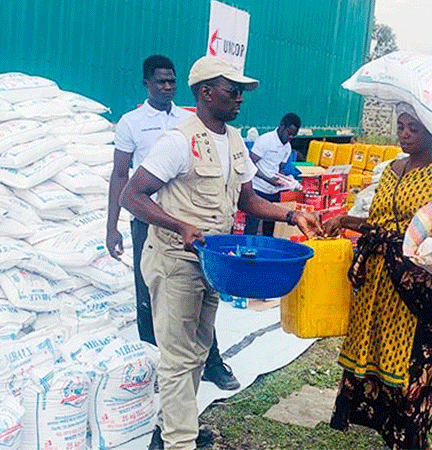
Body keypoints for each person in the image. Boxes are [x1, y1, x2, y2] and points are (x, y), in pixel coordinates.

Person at [119, 56, 321, 450]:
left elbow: (247, 200)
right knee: (178, 355)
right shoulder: (178, 141)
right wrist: (178, 224)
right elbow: (132, 195)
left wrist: (292, 213)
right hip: (175, 260)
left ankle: (169, 429)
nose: (240, 98)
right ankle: (180, 442)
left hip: (214, 262)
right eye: (233, 90)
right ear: (206, 92)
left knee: (196, 350)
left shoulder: (232, 142)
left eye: (242, 91)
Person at [324, 102, 432, 450]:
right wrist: (345, 221)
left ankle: (411, 438)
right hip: (379, 280)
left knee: (414, 359)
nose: (405, 134)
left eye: (414, 127)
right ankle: (388, 432)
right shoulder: (391, 169)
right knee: (379, 353)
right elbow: (379, 223)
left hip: (419, 283)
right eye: (401, 126)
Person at [105, 55, 239, 392]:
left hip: (194, 227)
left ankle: (211, 362)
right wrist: (112, 227)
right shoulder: (131, 123)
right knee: (151, 297)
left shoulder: (190, 121)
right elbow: (121, 178)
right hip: (150, 220)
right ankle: (157, 368)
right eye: (160, 82)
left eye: (172, 81)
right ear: (146, 84)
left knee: (199, 303)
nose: (167, 87)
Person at [244, 113, 302, 236]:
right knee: (252, 227)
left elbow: (280, 169)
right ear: (281, 126)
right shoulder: (265, 140)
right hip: (257, 189)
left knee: (271, 227)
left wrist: (285, 181)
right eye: (289, 133)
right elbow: (249, 163)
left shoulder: (287, 147)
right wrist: (267, 179)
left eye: (293, 135)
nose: (290, 137)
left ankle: (267, 251)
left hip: (273, 190)